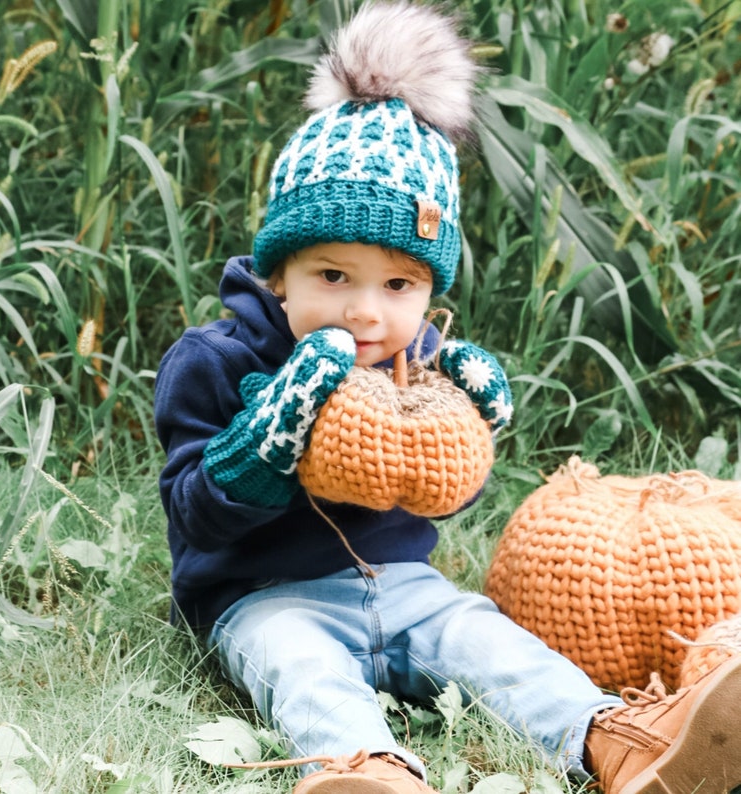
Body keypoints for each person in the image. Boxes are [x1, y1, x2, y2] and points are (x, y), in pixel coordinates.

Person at [154, 3, 741, 793]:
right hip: (264, 595)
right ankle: (364, 768)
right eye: (333, 276)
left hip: (406, 587)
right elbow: (195, 511)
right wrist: (269, 438)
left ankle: (619, 743)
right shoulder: (215, 361)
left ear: (429, 289)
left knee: (489, 643)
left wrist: (465, 426)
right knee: (300, 668)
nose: (366, 310)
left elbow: (431, 497)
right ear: (278, 272)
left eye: (398, 284)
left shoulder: (418, 358)